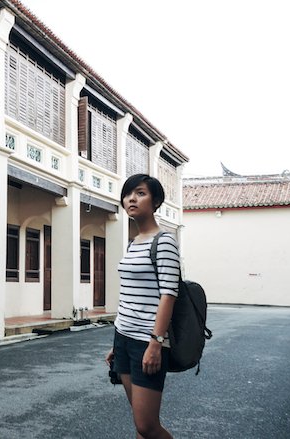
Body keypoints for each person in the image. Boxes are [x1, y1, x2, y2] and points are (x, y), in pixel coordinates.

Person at [105, 174, 181, 439]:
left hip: (147, 340)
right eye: (127, 194)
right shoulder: (132, 243)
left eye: (140, 193)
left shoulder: (165, 241)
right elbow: (129, 294)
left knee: (147, 425)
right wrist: (117, 343)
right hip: (124, 337)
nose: (131, 199)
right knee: (140, 423)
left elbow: (169, 294)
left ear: (156, 201)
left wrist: (156, 342)